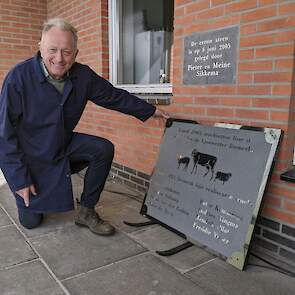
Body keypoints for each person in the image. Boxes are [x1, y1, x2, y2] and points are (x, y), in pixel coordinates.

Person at [0, 18, 169, 236]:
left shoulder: (83, 76)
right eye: (52, 50)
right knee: (32, 222)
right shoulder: (18, 78)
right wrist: (19, 180)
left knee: (102, 148)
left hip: (63, 144)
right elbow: (4, 135)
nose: (59, 59)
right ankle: (34, 192)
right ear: (40, 48)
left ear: (76, 53)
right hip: (32, 157)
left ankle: (86, 210)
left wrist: (151, 110)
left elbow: (114, 96)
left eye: (67, 52)